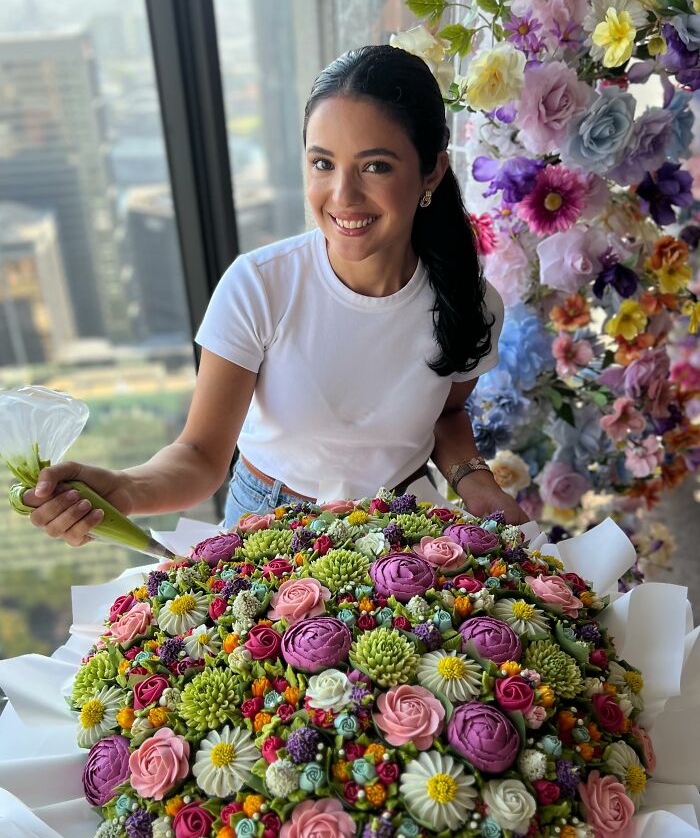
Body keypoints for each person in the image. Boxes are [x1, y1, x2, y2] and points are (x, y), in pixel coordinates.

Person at [23, 44, 526, 544]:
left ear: (432, 172)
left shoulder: (472, 302)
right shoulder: (259, 285)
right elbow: (200, 455)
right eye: (323, 164)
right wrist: (124, 490)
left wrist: (474, 481)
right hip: (270, 518)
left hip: (402, 519)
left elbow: (447, 412)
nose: (342, 196)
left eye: (375, 166)